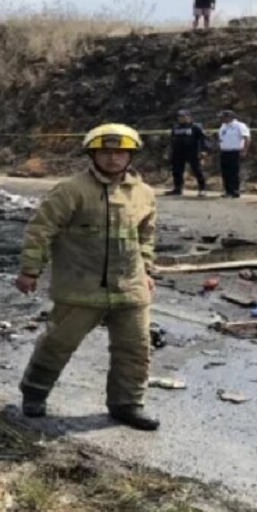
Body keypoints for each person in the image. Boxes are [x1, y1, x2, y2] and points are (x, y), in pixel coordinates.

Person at [15, 124, 160, 431]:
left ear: (130, 155)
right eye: (105, 152)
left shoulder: (144, 193)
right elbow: (40, 230)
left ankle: (127, 404)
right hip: (80, 286)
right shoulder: (71, 190)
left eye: (119, 152)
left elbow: (146, 234)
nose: (112, 158)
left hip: (130, 286)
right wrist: (30, 270)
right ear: (92, 154)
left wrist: (146, 269)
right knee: (58, 343)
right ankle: (35, 393)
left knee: (135, 348)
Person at [166, 109, 208, 196]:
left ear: (189, 117)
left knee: (197, 170)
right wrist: (170, 150)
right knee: (176, 170)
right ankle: (177, 188)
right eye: (179, 116)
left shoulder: (195, 127)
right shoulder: (176, 127)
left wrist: (203, 150)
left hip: (192, 151)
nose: (181, 118)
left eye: (183, 116)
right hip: (178, 152)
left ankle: (202, 188)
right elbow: (172, 139)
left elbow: (203, 139)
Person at [217, 110, 250, 198]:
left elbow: (246, 137)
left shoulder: (239, 125)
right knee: (225, 172)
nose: (221, 119)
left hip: (235, 151)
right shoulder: (223, 126)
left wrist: (244, 150)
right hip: (224, 151)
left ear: (229, 117)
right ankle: (228, 190)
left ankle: (235, 190)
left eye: (223, 117)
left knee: (234, 172)